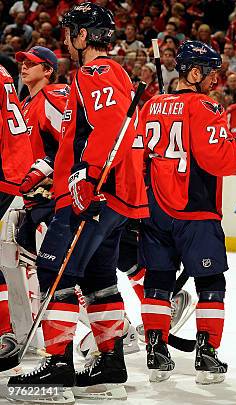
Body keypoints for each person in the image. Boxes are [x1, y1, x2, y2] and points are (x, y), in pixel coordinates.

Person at [7, 3, 148, 402]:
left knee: (57, 275)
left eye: (70, 30)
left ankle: (57, 368)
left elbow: (109, 125)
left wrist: (87, 174)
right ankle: (109, 364)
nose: (65, 37)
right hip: (110, 196)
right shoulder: (97, 75)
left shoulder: (96, 71)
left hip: (93, 194)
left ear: (85, 35)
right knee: (99, 282)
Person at [138, 40, 236, 385]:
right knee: (212, 282)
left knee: (157, 279)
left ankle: (155, 349)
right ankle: (207, 352)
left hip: (154, 208)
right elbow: (221, 161)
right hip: (195, 210)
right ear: (194, 73)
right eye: (211, 73)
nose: (216, 80)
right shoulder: (206, 106)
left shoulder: (151, 104)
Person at [0, 54, 34, 378]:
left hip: (7, 172)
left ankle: (6, 336)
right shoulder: (4, 76)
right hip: (16, 174)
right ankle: (10, 335)